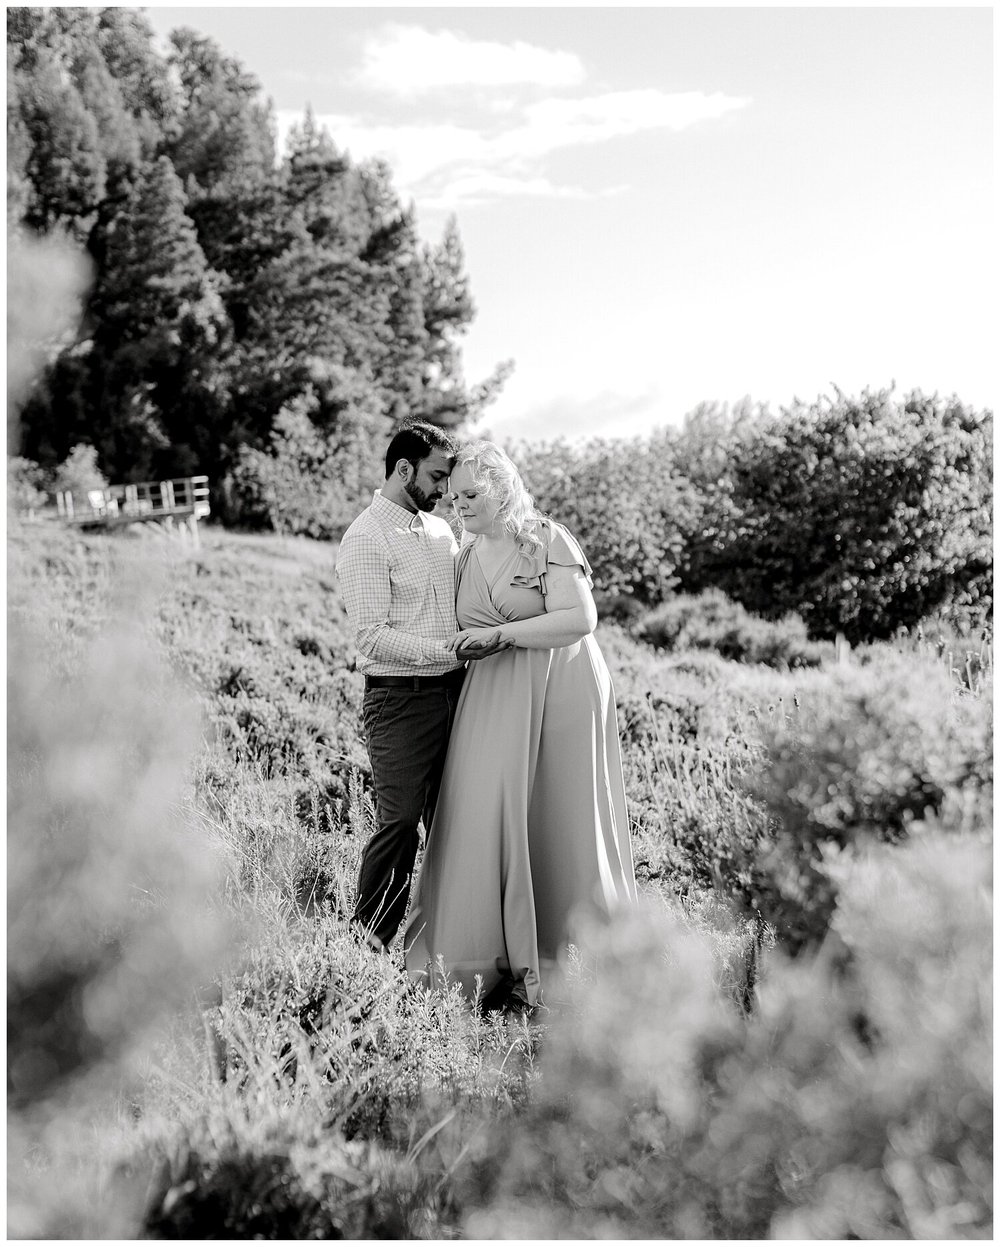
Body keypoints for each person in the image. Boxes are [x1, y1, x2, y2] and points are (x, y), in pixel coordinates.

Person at [404, 440, 637, 1012]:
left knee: (560, 814)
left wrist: (502, 636)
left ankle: (570, 957)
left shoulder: (547, 539)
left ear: (503, 489)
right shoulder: (464, 552)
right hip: (490, 695)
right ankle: (476, 960)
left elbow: (581, 619)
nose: (458, 506)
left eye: (471, 495)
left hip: (559, 690)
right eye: (453, 496)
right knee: (480, 813)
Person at [336, 422, 509, 954]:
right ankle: (367, 950)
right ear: (403, 469)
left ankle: (451, 946)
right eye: (437, 477)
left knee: (458, 816)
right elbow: (370, 636)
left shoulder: (440, 533)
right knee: (401, 823)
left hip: (459, 692)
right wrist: (448, 652)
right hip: (400, 699)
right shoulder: (366, 537)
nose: (444, 492)